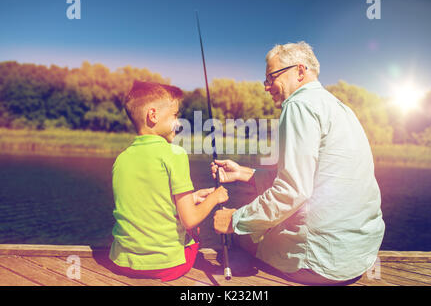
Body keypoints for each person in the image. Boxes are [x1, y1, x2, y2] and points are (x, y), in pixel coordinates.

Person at [212, 41, 385, 285]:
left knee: (242, 235)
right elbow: (315, 179)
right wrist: (244, 172)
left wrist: (235, 220)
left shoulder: (298, 106)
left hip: (322, 263)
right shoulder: (340, 108)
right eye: (266, 80)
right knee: (260, 221)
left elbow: (292, 191)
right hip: (359, 257)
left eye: (272, 77)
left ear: (300, 71)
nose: (267, 87)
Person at [109, 80, 228, 282]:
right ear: (153, 115)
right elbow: (190, 219)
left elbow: (148, 201)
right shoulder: (175, 154)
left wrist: (193, 197)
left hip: (122, 262)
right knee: (193, 228)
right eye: (175, 115)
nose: (178, 122)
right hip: (167, 267)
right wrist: (215, 197)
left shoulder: (121, 159)